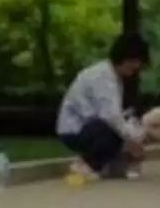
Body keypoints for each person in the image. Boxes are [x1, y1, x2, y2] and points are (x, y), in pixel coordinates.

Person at [56, 33, 149, 179]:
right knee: (113, 131)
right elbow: (110, 116)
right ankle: (85, 164)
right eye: (136, 61)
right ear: (125, 58)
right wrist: (133, 139)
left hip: (91, 125)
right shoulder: (102, 77)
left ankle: (111, 167)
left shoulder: (113, 76)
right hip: (76, 129)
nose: (137, 67)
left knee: (123, 128)